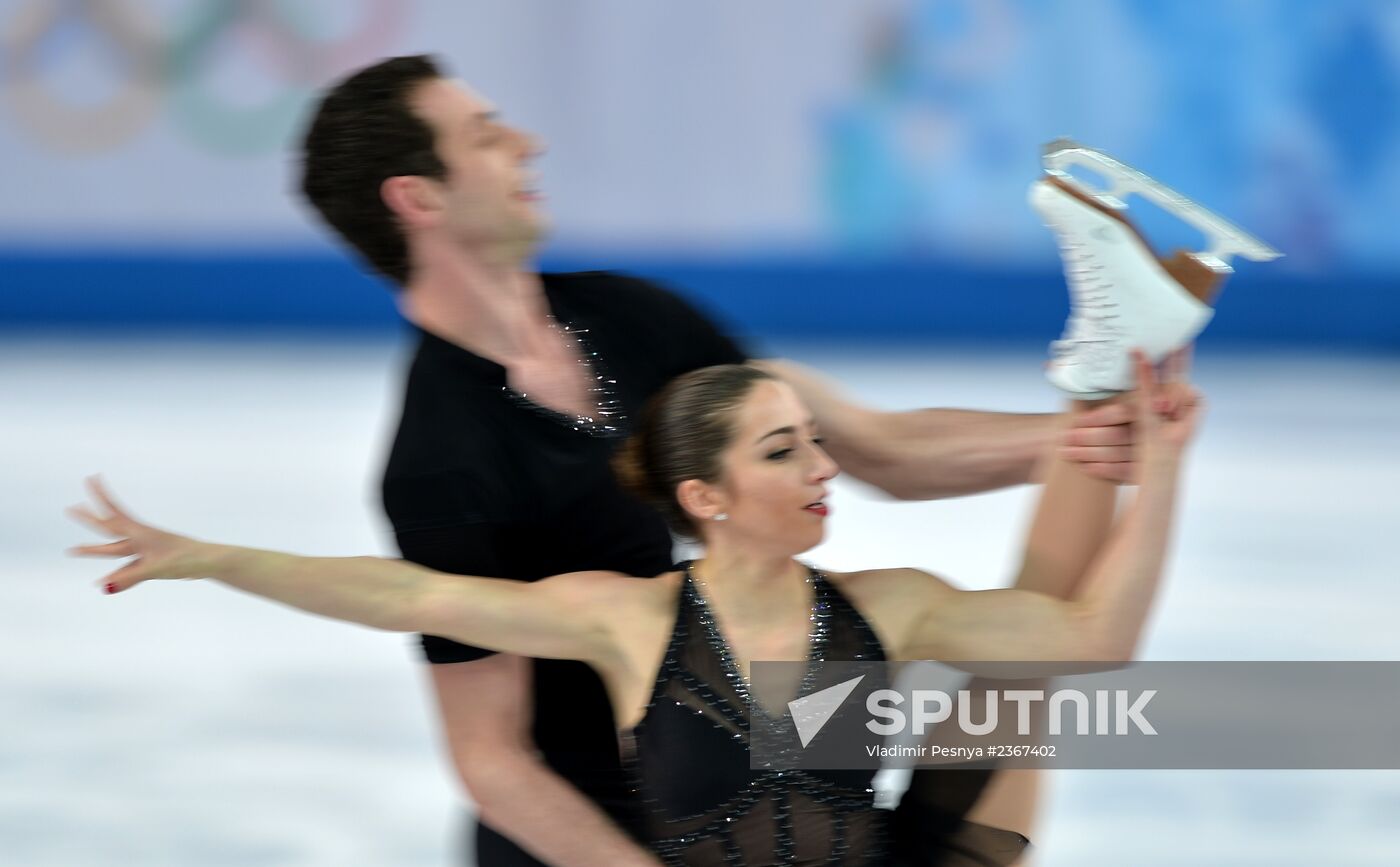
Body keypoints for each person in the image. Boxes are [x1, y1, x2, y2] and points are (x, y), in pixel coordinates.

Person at [294, 54, 1147, 866]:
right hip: (613, 829)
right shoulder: (443, 458)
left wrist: (1083, 433)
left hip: (741, 760)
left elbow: (880, 450)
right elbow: (493, 760)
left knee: (1022, 677)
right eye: (485, 135)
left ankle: (1105, 358)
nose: (527, 144)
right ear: (418, 197)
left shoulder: (633, 318)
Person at [69, 345, 1199, 866]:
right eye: (783, 451)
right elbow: (405, 592)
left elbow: (1094, 639)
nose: (821, 469)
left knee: (1027, 676)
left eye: (814, 444)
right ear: (706, 498)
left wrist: (1166, 459)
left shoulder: (885, 605)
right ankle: (1114, 359)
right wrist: (213, 556)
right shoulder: (625, 621)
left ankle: (1113, 357)